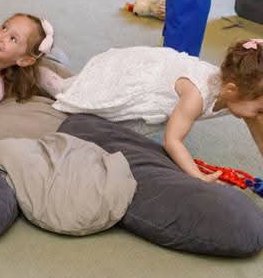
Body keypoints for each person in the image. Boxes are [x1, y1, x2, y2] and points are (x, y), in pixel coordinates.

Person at [43, 39, 263, 180]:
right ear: (231, 90)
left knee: (121, 131)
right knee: (68, 92)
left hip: (159, 77)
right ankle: (38, 69)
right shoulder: (196, 96)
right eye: (260, 110)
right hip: (133, 78)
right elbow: (172, 141)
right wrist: (198, 176)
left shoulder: (240, 92)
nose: (260, 116)